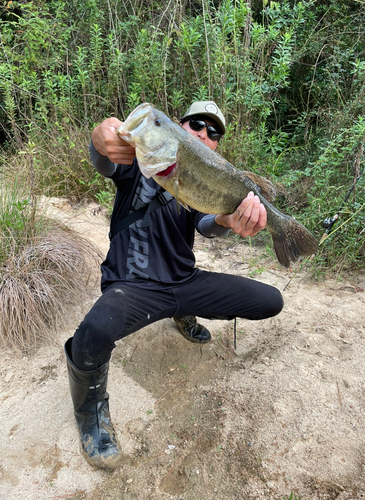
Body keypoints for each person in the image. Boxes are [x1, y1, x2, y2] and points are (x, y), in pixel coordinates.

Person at [64, 101, 284, 470]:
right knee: (93, 332)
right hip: (132, 286)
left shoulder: (204, 183)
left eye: (214, 132)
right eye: (197, 123)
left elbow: (207, 225)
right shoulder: (141, 159)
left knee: (269, 300)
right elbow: (104, 159)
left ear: (215, 147)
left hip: (185, 282)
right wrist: (98, 139)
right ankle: (91, 413)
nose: (204, 133)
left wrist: (230, 220)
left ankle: (183, 313)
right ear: (179, 127)